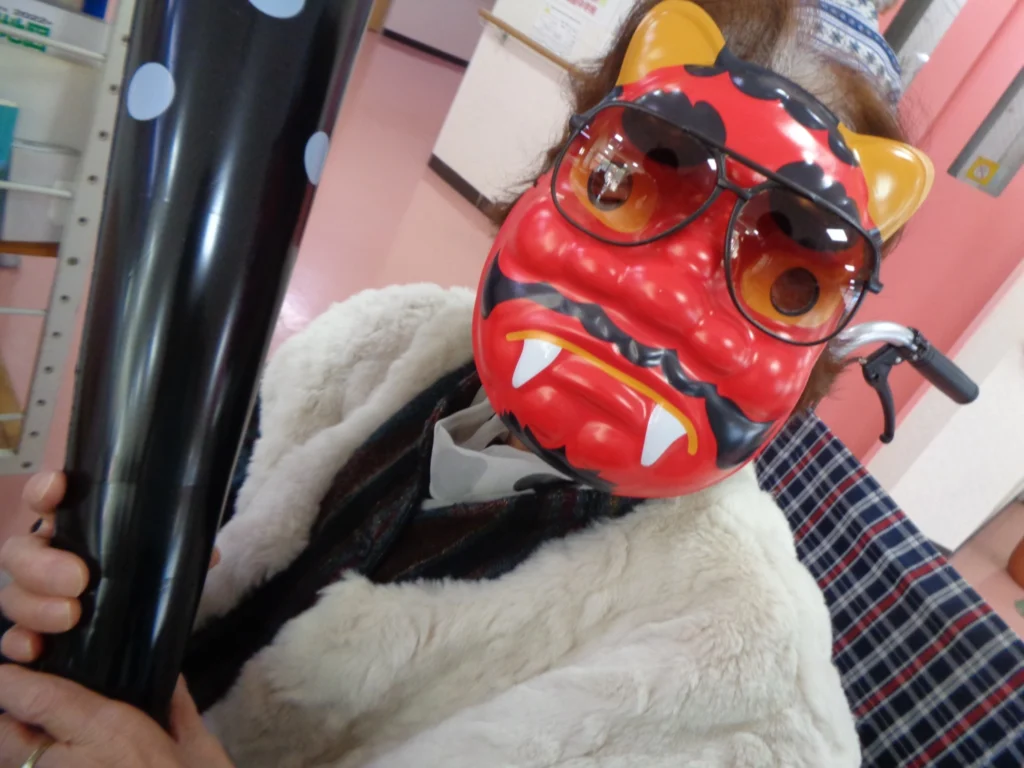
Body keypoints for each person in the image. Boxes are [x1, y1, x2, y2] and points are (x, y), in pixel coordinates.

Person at [1, 1, 931, 766]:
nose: (663, 296)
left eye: (790, 278)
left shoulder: (743, 706)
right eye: (623, 182)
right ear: (555, 167)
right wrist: (96, 579)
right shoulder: (373, 343)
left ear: (830, 342)